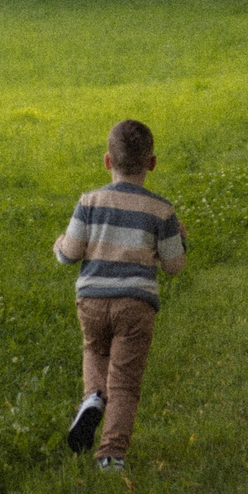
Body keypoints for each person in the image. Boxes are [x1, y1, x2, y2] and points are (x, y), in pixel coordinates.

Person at [52, 118, 187, 470]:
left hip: (92, 300)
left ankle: (93, 398)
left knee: (95, 351)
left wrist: (59, 246)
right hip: (136, 305)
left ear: (107, 161)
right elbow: (174, 265)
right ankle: (111, 454)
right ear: (152, 163)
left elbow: (70, 253)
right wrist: (179, 237)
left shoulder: (89, 201)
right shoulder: (162, 211)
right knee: (125, 383)